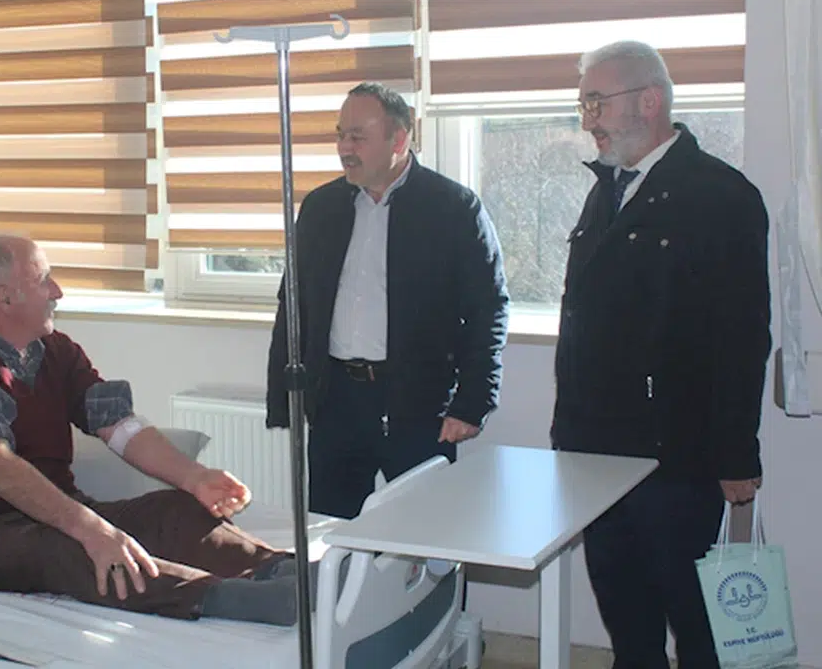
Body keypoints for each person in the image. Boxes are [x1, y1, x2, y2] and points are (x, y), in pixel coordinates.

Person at [0, 234, 303, 626]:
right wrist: (90, 529)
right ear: (5, 297)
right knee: (74, 549)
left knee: (175, 509)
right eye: (44, 280)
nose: (57, 292)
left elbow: (120, 427)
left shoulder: (56, 351)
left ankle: (283, 570)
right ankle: (238, 599)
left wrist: (195, 477)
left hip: (59, 512)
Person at [551, 40, 771, 668]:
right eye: (584, 104)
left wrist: (737, 454)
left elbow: (742, 336)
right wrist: (566, 434)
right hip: (597, 451)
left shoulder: (720, 195)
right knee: (627, 619)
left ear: (649, 101)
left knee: (697, 626)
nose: (588, 120)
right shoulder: (607, 189)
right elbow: (584, 320)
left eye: (597, 102)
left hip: (676, 458)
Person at [266, 82, 510, 519]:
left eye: (357, 136)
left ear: (399, 139)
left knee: (423, 532)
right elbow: (293, 304)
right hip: (336, 401)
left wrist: (473, 401)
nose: (344, 148)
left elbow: (488, 309)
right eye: (341, 135)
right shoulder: (321, 208)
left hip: (418, 401)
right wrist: (283, 396)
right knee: (331, 533)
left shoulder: (453, 208)